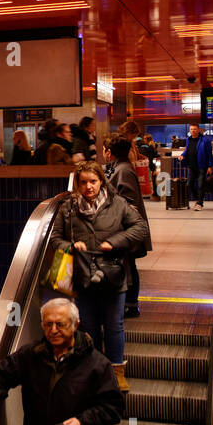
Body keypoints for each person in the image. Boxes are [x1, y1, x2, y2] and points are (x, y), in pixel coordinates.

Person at [48, 159, 148, 391]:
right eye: (83, 183)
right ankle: (95, 371)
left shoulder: (118, 204)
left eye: (93, 181)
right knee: (89, 327)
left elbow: (139, 227)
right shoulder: (68, 208)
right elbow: (55, 239)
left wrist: (114, 242)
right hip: (83, 276)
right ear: (77, 184)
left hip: (113, 273)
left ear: (101, 181)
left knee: (114, 325)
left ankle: (116, 373)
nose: (88, 187)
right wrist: (71, 247)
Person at [106, 137, 152, 319]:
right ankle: (129, 304)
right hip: (126, 228)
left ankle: (131, 305)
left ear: (110, 152)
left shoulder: (123, 170)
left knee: (129, 266)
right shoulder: (121, 168)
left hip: (127, 230)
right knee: (128, 266)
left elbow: (129, 202)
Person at [184, 124, 213, 211]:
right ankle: (198, 199)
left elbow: (209, 154)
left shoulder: (205, 140)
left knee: (201, 185)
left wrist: (210, 166)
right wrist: (182, 155)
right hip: (192, 165)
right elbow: (187, 150)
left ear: (198, 130)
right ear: (189, 130)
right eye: (191, 129)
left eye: (195, 129)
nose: (193, 131)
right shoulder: (188, 140)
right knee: (190, 184)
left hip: (202, 166)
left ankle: (199, 203)